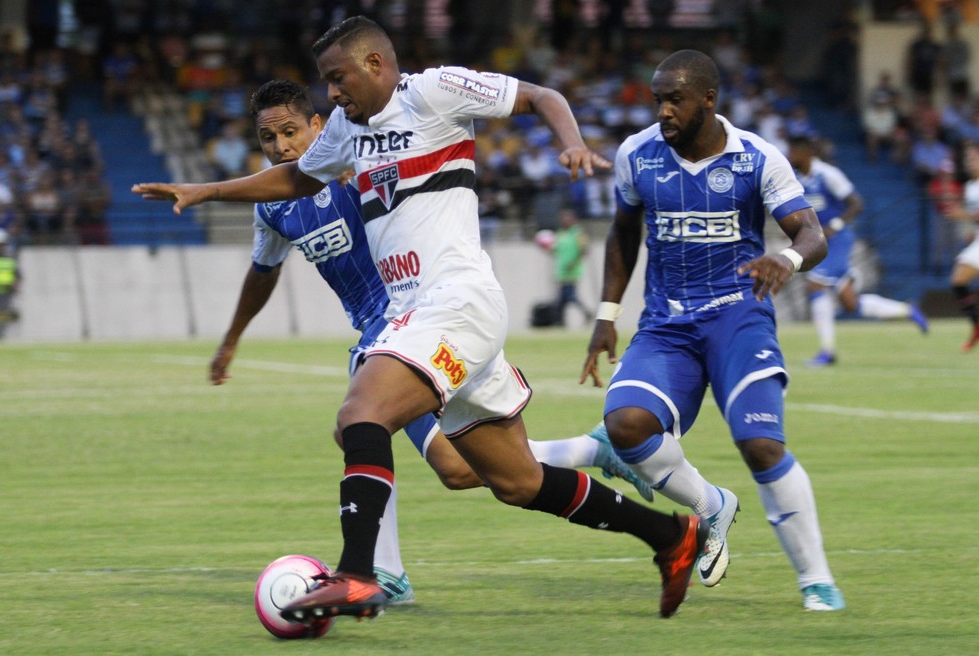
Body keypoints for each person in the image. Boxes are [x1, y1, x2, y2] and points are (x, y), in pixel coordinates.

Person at [134, 16, 707, 622]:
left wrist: (569, 140)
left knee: (360, 414)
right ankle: (670, 537)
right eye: (326, 82)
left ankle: (359, 576)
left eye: (337, 78)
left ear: (375, 64)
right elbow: (297, 178)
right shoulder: (348, 133)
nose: (332, 94)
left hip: (455, 301)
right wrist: (208, 191)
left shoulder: (433, 92)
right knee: (514, 481)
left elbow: (541, 95)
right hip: (423, 315)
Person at [214, 79, 657, 604]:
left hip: (419, 323)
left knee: (363, 427)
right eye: (269, 138)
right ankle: (594, 452)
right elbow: (262, 272)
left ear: (319, 125)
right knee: (457, 469)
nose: (282, 146)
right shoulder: (275, 205)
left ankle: (380, 572)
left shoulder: (353, 167)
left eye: (291, 131)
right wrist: (232, 339)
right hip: (386, 334)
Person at [580, 50, 845, 611]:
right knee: (625, 425)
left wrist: (788, 261)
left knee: (760, 443)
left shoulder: (757, 158)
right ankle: (710, 504)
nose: (663, 112)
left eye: (675, 100)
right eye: (657, 100)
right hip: (666, 322)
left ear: (708, 99)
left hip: (736, 316)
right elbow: (623, 234)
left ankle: (816, 579)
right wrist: (606, 315)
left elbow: (813, 235)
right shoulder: (637, 154)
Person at [786, 134, 928, 367]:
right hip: (818, 242)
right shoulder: (798, 178)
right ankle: (907, 310)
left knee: (816, 285)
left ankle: (827, 352)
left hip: (838, 241)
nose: (790, 157)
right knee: (851, 303)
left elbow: (856, 203)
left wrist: (836, 225)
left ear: (805, 153)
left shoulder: (828, 174)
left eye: (793, 152)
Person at [946, 143, 979, 351]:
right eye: (968, 159)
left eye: (974, 158)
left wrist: (963, 215)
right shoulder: (969, 187)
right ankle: (976, 325)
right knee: (958, 280)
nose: (970, 162)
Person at [551, 206, 594, 324]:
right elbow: (555, 250)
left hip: (573, 270)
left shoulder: (578, 232)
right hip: (561, 270)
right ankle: (561, 321)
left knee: (569, 296)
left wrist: (574, 263)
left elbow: (584, 250)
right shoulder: (559, 233)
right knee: (563, 298)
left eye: (567, 218)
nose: (564, 220)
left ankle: (585, 313)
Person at [0, 227, 20, 339]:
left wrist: (16, 285)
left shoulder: (10, 257)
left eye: (0, 243)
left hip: (6, 291)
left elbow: (17, 274)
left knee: (2, 316)